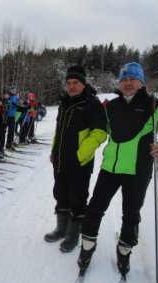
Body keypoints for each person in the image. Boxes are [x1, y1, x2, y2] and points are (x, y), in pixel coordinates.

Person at [77, 62, 158, 276]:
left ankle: (124, 251)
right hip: (110, 169)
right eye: (124, 79)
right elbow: (100, 129)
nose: (128, 83)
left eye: (132, 79)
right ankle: (87, 247)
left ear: (141, 82)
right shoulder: (111, 106)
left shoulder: (154, 105)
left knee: (131, 214)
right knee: (94, 208)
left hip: (138, 171)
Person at [45, 66, 107, 253]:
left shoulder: (92, 104)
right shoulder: (64, 103)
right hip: (60, 161)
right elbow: (59, 130)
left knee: (77, 199)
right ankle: (61, 228)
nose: (71, 87)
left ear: (83, 84)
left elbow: (99, 133)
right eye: (68, 83)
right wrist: (54, 151)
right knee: (61, 195)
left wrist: (80, 155)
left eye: (75, 83)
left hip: (80, 164)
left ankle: (73, 234)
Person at [0, 90, 9, 160]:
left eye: (0, 102)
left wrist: (6, 123)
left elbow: (5, 115)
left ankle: (1, 150)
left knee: (3, 138)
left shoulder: (3, 107)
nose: (0, 103)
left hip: (3, 124)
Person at [5, 85, 19, 149]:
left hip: (14, 115)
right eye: (12, 90)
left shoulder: (16, 97)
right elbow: (7, 104)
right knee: (8, 130)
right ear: (10, 90)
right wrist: (11, 104)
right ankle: (8, 143)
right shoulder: (8, 96)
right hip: (8, 116)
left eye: (14, 90)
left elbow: (18, 105)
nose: (13, 91)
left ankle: (10, 142)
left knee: (12, 130)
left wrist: (16, 105)